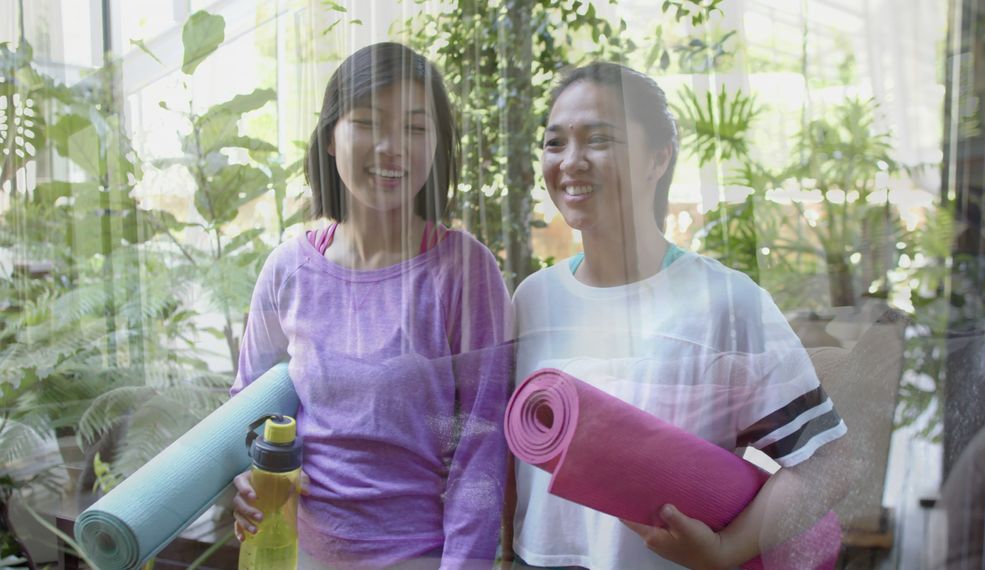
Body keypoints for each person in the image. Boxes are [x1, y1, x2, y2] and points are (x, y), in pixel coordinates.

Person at [506, 62, 851, 570]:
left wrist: (725, 551)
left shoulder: (725, 302)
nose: (571, 161)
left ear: (658, 158)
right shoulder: (532, 299)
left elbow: (826, 463)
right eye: (555, 143)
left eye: (598, 139)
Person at [229, 42, 511, 569]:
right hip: (293, 551)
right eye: (366, 122)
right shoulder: (287, 269)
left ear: (438, 146)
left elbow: (482, 448)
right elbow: (248, 408)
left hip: (421, 556)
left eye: (414, 128)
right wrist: (242, 476)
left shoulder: (464, 272)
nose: (390, 147)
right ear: (331, 139)